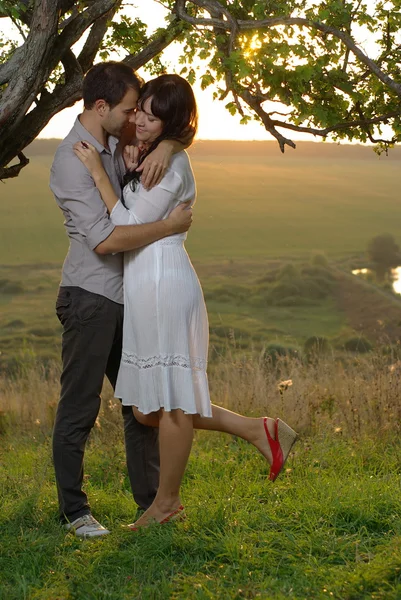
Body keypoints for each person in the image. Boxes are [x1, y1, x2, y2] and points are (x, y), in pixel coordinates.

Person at [74, 73, 298, 531]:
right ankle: (258, 429)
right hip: (146, 287)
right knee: (147, 409)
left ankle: (166, 502)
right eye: (140, 111)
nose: (140, 121)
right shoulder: (150, 154)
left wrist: (100, 174)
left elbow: (128, 222)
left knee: (171, 406)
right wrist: (159, 144)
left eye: (153, 118)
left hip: (163, 284)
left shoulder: (171, 166)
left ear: (172, 123)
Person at [50, 62, 194, 538]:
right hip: (91, 297)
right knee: (80, 409)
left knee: (141, 406)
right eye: (131, 110)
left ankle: (154, 505)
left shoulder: (119, 143)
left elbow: (170, 121)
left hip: (129, 297)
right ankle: (75, 511)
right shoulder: (73, 160)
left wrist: (172, 142)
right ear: (101, 107)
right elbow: (107, 240)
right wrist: (170, 228)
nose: (137, 119)